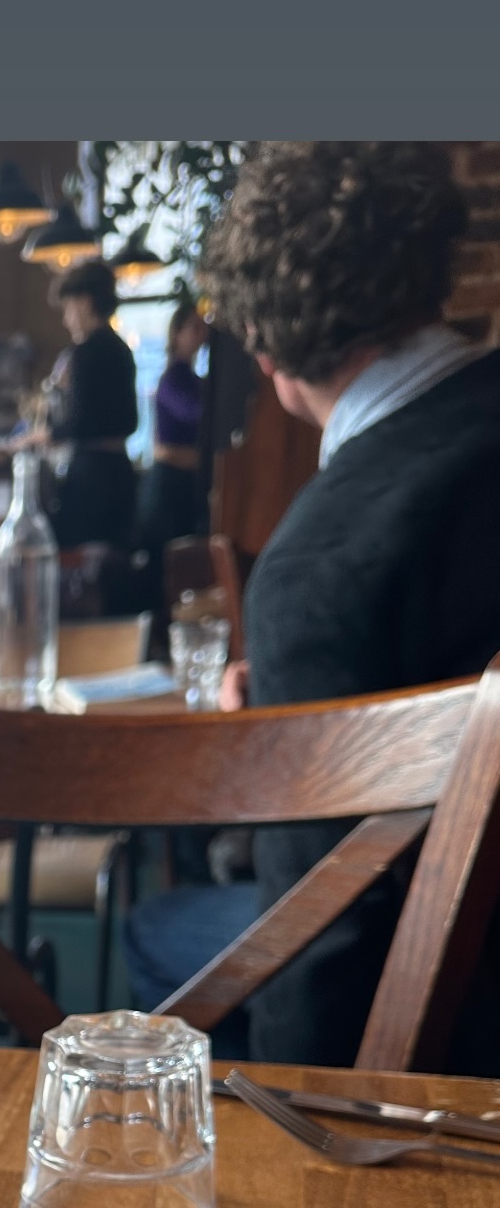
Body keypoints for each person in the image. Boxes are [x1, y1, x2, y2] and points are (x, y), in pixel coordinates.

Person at [130, 142, 500, 1067]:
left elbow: (315, 939)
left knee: (155, 929)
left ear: (262, 347)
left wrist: (309, 1166)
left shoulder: (319, 569)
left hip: (453, 1027)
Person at [45, 257, 139, 549]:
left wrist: (44, 435)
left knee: (75, 562)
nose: (66, 319)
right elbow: (131, 421)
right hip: (121, 474)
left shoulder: (83, 354)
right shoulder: (122, 350)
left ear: (85, 303)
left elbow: (79, 421)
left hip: (91, 479)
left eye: (68, 309)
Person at [136, 304, 208, 560]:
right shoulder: (173, 378)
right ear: (176, 333)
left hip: (183, 484)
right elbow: (198, 414)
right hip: (168, 486)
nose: (202, 332)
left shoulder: (193, 378)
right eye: (194, 327)